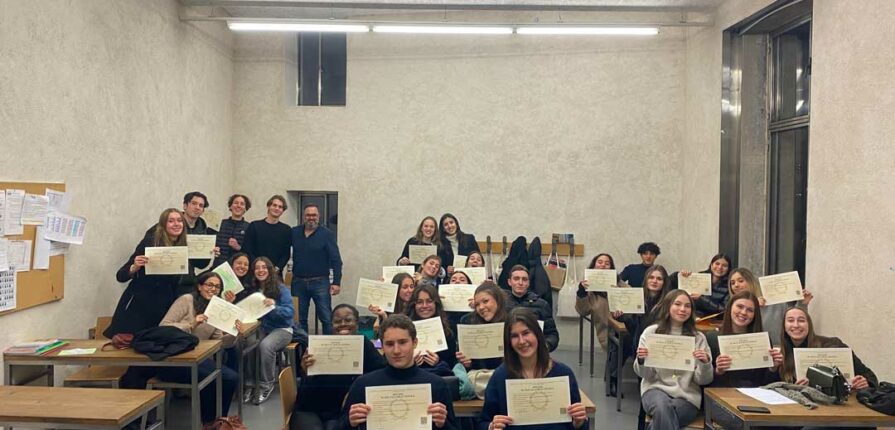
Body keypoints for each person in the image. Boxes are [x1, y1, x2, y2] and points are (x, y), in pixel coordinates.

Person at [340, 314, 458, 430]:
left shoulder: (437, 385)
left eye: (402, 342)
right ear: (382, 346)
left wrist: (443, 424)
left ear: (415, 342)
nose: (396, 350)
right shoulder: (363, 385)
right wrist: (350, 422)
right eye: (390, 344)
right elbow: (341, 426)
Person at [477, 308, 588, 430]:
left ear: (537, 334)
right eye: (514, 336)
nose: (522, 341)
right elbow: (483, 422)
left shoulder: (563, 374)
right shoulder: (500, 376)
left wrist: (579, 423)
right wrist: (491, 426)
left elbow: (577, 424)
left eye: (526, 333)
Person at [158, 272, 239, 424]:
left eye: (217, 287)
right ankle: (209, 422)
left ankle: (216, 422)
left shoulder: (214, 308)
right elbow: (163, 327)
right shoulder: (186, 300)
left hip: (198, 359)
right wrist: (191, 324)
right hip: (174, 358)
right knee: (212, 378)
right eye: (209, 285)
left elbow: (219, 342)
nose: (213, 289)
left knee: (231, 378)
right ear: (200, 286)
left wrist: (233, 333)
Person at [292, 304, 386, 430]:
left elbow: (381, 373)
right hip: (314, 408)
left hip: (344, 411)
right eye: (337, 321)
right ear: (331, 325)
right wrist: (305, 371)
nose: (343, 324)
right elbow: (305, 395)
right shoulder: (321, 347)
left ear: (357, 324)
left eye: (348, 320)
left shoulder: (364, 345)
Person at [634, 290, 713, 430]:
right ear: (668, 306)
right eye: (677, 304)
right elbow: (646, 375)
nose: (683, 309)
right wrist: (642, 360)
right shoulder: (651, 333)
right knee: (662, 406)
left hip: (687, 396)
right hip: (654, 390)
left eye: (687, 306)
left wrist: (705, 364)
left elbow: (703, 381)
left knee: (662, 415)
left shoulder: (699, 338)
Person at [705, 290, 783, 429]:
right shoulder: (711, 338)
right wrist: (718, 371)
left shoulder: (763, 340)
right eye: (739, 307)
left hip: (756, 401)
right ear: (730, 308)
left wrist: (773, 368)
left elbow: (767, 384)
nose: (743, 312)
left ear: (755, 315)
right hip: (722, 401)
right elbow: (704, 382)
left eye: (750, 310)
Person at [107, 208, 187, 338]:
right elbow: (120, 276)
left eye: (179, 221)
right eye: (171, 221)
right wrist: (134, 266)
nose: (176, 224)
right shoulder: (150, 242)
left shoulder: (183, 246)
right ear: (163, 225)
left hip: (164, 304)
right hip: (140, 304)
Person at [778, 306, 877, 390]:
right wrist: (773, 369)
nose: (796, 325)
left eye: (801, 320)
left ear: (809, 325)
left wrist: (866, 382)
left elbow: (870, 376)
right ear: (784, 326)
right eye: (790, 320)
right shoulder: (781, 353)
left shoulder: (833, 345)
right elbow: (771, 388)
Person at [241, 256, 295, 405]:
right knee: (250, 343)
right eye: (257, 267)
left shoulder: (281, 289)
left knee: (265, 346)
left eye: (264, 267)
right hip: (261, 328)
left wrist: (274, 307)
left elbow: (289, 313)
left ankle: (266, 385)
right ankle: (251, 384)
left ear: (270, 270)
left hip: (282, 329)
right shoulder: (252, 289)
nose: (260, 270)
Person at [291, 203, 343, 334]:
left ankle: (327, 351)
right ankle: (303, 351)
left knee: (326, 319)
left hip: (320, 282)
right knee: (299, 320)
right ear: (304, 216)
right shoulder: (294, 232)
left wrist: (336, 282)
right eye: (308, 215)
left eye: (314, 215)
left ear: (319, 216)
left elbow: (336, 260)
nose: (311, 218)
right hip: (298, 283)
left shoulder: (326, 234)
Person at [726, 267, 813, 345]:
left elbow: (793, 320)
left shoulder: (773, 303)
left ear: (751, 282)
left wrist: (802, 303)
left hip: (777, 350)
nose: (736, 285)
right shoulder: (732, 308)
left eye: (741, 281)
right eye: (732, 283)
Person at [503, 265, 559, 352]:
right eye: (516, 279)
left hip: (534, 353)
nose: (520, 282)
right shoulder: (501, 303)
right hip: (508, 353)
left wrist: (546, 346)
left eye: (524, 279)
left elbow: (552, 334)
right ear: (509, 282)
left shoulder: (542, 305)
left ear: (528, 283)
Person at [405, 284, 458, 376]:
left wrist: (439, 362)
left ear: (436, 303)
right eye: (420, 302)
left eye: (429, 301)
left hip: (440, 376)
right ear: (414, 305)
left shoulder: (448, 327)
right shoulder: (404, 326)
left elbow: (453, 362)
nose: (424, 306)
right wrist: (410, 362)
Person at [457, 281, 508, 371]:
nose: (481, 307)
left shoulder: (511, 322)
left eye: (485, 301)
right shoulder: (468, 323)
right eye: (477, 304)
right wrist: (466, 363)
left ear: (498, 300)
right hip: (478, 378)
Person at [575, 253, 616, 352]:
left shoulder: (619, 283)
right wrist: (581, 292)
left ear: (611, 267)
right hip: (606, 330)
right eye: (600, 262)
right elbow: (583, 311)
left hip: (624, 325)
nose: (603, 265)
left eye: (607, 263)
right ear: (594, 265)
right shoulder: (587, 287)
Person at [243, 195, 291, 274]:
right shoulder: (254, 226)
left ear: (283, 210)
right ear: (268, 206)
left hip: (275, 274)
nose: (277, 208)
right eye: (274, 205)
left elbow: (286, 254)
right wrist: (258, 267)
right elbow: (247, 249)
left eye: (280, 207)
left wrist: (277, 268)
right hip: (255, 272)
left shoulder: (286, 230)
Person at [370, 272, 415, 337]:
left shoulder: (415, 306)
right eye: (405, 287)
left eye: (412, 286)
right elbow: (382, 338)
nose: (410, 290)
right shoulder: (388, 307)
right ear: (396, 289)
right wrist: (383, 316)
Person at [214, 194, 251, 266]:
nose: (238, 206)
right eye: (236, 203)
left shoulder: (249, 227)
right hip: (219, 266)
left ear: (245, 208)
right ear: (230, 206)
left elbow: (250, 251)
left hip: (238, 268)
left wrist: (238, 247)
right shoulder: (220, 224)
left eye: (242, 204)